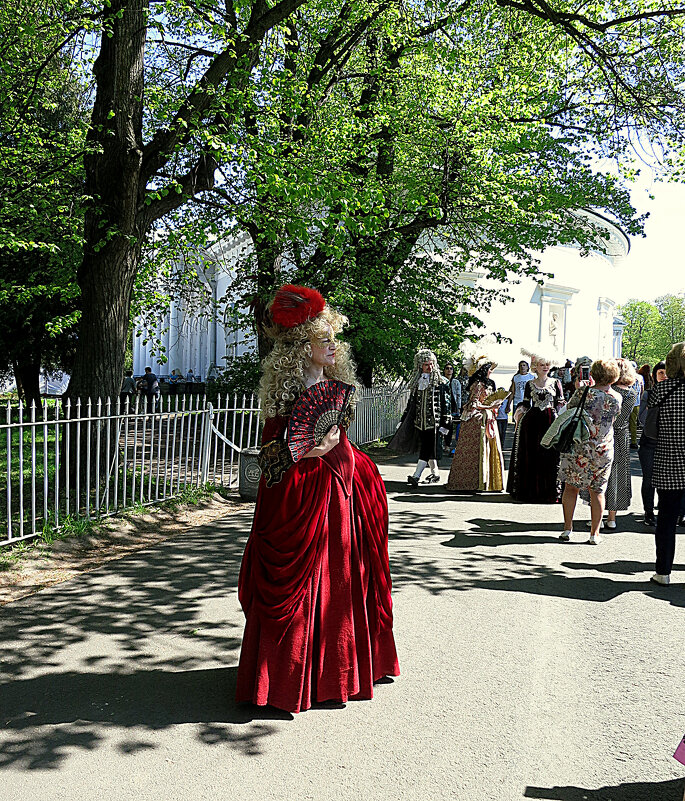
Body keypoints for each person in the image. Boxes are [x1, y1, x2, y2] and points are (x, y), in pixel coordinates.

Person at [235, 284, 399, 712]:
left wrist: (354, 464)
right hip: (303, 497)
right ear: (299, 347)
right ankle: (290, 679)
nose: (332, 346)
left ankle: (340, 670)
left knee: (342, 580)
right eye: (322, 339)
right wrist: (309, 450)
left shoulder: (337, 385)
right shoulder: (285, 394)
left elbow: (337, 433)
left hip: (342, 493)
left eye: (333, 339)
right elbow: (271, 457)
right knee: (306, 582)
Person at [558, 359, 622, 545]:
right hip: (603, 447)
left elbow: (569, 409)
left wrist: (581, 388)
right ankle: (595, 533)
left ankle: (567, 528)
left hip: (579, 445)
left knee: (571, 487)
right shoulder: (617, 397)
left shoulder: (583, 392)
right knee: (598, 491)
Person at [647, 342, 685, 586]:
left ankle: (663, 571)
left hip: (669, 462)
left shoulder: (662, 390)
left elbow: (649, 429)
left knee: (667, 521)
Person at [507, 350, 565, 503]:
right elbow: (526, 404)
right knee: (532, 454)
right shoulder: (529, 384)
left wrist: (562, 419)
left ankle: (550, 491)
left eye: (547, 364)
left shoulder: (556, 383)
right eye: (542, 364)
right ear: (535, 367)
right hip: (532, 423)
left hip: (551, 421)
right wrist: (519, 413)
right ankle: (530, 491)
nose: (545, 367)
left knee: (551, 456)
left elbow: (560, 403)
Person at [446, 339, 504, 492]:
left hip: (486, 418)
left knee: (485, 450)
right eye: (489, 368)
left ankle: (484, 481)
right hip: (477, 420)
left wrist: (493, 408)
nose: (491, 371)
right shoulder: (478, 384)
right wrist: (490, 406)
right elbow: (474, 403)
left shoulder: (487, 384)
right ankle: (471, 482)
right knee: (474, 452)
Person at [389, 349, 451, 486]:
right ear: (420, 366)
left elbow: (446, 404)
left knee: (426, 448)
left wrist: (446, 423)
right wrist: (403, 420)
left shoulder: (442, 382)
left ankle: (416, 476)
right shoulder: (417, 382)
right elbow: (411, 404)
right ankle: (435, 474)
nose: (430, 367)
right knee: (428, 448)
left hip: (434, 423)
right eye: (426, 365)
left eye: (432, 364)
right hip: (419, 422)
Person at [603, 359, 639, 529]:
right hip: (621, 435)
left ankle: (597, 512)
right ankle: (612, 517)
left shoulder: (609, 390)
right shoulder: (631, 393)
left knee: (600, 473)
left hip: (605, 433)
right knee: (617, 475)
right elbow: (623, 419)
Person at [638, 361, 667, 527]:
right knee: (649, 479)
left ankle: (666, 511)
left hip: (669, 443)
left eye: (666, 373)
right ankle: (648, 511)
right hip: (649, 442)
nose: (664, 376)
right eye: (660, 373)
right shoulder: (648, 394)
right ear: (654, 376)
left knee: (667, 480)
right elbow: (641, 419)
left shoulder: (677, 394)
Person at [442, 362, 462, 452]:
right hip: (443, 406)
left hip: (453, 406)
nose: (449, 370)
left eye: (451, 368)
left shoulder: (455, 382)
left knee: (450, 425)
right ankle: (443, 443)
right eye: (447, 368)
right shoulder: (441, 381)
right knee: (443, 425)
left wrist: (459, 407)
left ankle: (448, 444)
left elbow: (458, 395)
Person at [628, 361, 644, 449]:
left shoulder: (626, 377)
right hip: (636, 402)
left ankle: (625, 441)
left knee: (624, 422)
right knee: (633, 423)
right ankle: (634, 441)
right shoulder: (640, 377)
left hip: (626, 402)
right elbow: (642, 390)